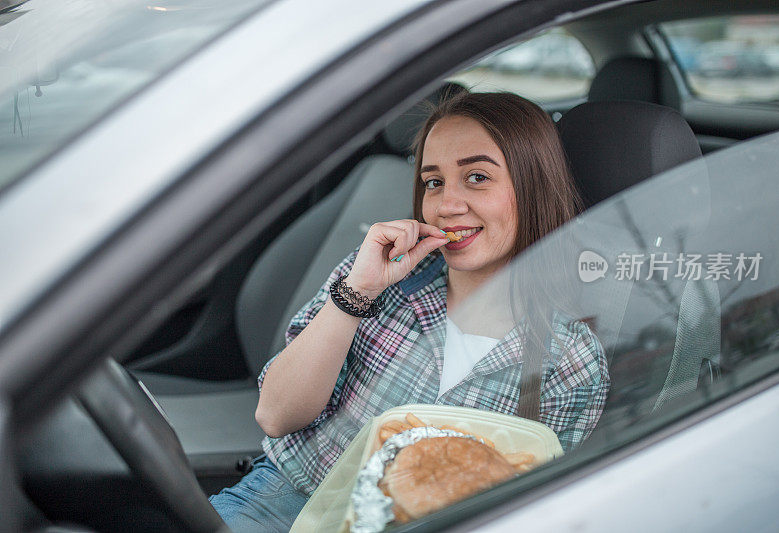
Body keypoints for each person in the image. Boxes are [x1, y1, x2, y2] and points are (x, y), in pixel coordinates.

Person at [209, 91, 610, 532]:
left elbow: (533, 510)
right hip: (284, 501)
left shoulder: (571, 360)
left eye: (476, 177)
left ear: (533, 185)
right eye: (433, 182)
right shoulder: (378, 280)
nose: (446, 206)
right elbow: (276, 415)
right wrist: (357, 292)